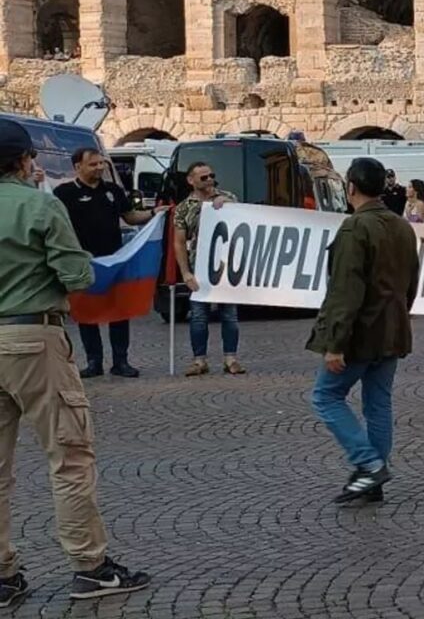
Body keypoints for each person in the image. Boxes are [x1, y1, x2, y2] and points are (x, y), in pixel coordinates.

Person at [0, 120, 152, 604]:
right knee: (68, 457)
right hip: (32, 336)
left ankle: (3, 577)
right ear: (25, 161)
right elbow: (75, 273)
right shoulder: (40, 204)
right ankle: (89, 566)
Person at [308, 157, 420, 505]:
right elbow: (411, 283)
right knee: (378, 404)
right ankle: (375, 477)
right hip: (393, 327)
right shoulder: (403, 227)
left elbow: (345, 290)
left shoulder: (355, 228)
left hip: (361, 332)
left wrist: (335, 343)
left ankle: (368, 464)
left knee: (326, 397)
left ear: (350, 187)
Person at [53, 147, 154, 378]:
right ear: (77, 166)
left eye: (101, 164)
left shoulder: (113, 190)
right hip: (84, 262)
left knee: (119, 311)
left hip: (114, 261)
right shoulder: (64, 193)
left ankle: (121, 361)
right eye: (93, 164)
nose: (99, 168)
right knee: (86, 312)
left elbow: (130, 217)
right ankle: (93, 362)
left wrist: (154, 213)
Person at [173, 162, 245, 377]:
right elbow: (179, 242)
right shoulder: (184, 208)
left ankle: (230, 358)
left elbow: (244, 219)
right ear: (191, 180)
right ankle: (199, 360)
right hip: (199, 268)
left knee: (230, 315)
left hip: (226, 266)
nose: (209, 180)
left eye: (211, 175)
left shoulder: (227, 196)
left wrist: (229, 203)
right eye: (203, 177)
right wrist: (185, 273)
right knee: (198, 316)